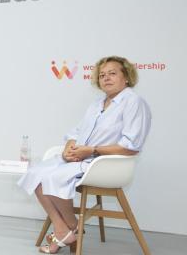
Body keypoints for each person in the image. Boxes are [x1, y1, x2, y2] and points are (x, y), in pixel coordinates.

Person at [17, 56, 151, 253]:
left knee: (54, 177)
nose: (106, 78)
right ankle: (66, 228)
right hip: (83, 158)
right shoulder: (97, 104)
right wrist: (69, 148)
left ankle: (69, 230)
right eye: (102, 75)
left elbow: (131, 146)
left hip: (105, 164)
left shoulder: (133, 102)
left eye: (112, 73)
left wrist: (91, 150)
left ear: (127, 77)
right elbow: (76, 133)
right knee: (36, 174)